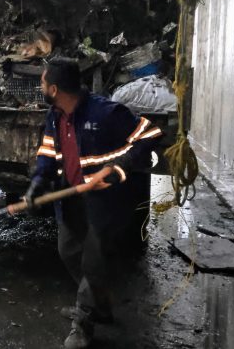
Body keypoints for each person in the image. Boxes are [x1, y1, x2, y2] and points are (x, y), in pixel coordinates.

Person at [24, 57, 162, 349]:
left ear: (55, 88)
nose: (41, 87)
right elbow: (48, 151)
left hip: (106, 202)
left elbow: (150, 135)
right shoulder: (55, 115)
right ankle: (99, 304)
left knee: (94, 262)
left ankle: (83, 323)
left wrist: (117, 169)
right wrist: (39, 180)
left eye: (43, 83)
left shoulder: (105, 112)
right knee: (68, 251)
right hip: (71, 197)